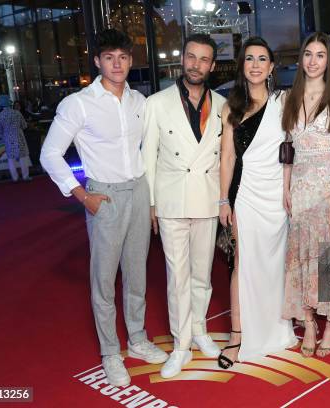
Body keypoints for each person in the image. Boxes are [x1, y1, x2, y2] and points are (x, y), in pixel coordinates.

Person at [40, 29, 168, 387]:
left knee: (137, 274)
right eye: (109, 57)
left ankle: (138, 340)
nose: (117, 64)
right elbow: (49, 154)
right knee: (104, 280)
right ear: (97, 61)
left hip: (139, 191)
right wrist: (82, 195)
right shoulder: (78, 103)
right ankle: (111, 352)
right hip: (104, 196)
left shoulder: (138, 101)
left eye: (123, 57)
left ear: (131, 60)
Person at [142, 34, 225, 378]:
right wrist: (150, 203)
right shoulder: (157, 103)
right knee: (177, 277)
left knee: (202, 276)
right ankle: (180, 345)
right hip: (172, 199)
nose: (196, 65)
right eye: (191, 57)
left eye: (204, 59)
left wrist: (224, 200)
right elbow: (147, 157)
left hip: (207, 199)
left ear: (212, 66)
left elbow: (225, 159)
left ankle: (201, 331)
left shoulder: (222, 104)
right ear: (182, 58)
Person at [217, 36, 298, 369]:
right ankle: (238, 336)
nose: (255, 65)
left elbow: (291, 148)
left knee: (275, 264)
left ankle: (277, 330)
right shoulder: (231, 106)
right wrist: (224, 200)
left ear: (271, 67)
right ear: (242, 65)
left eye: (262, 59)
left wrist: (288, 189)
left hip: (276, 197)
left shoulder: (284, 101)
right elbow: (227, 158)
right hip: (245, 196)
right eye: (249, 59)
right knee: (242, 265)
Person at [281, 32, 330, 358]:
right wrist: (285, 186)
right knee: (303, 258)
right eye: (308, 54)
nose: (313, 61)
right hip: (300, 187)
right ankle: (310, 323)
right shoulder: (290, 96)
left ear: (329, 61)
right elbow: (286, 147)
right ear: (301, 59)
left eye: (320, 55)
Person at [0, 100, 30, 182]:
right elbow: (24, 126)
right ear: (10, 105)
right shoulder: (17, 113)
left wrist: (4, 137)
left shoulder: (0, 116)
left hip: (8, 139)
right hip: (19, 137)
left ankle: (15, 178)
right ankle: (25, 176)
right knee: (23, 158)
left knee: (11, 160)